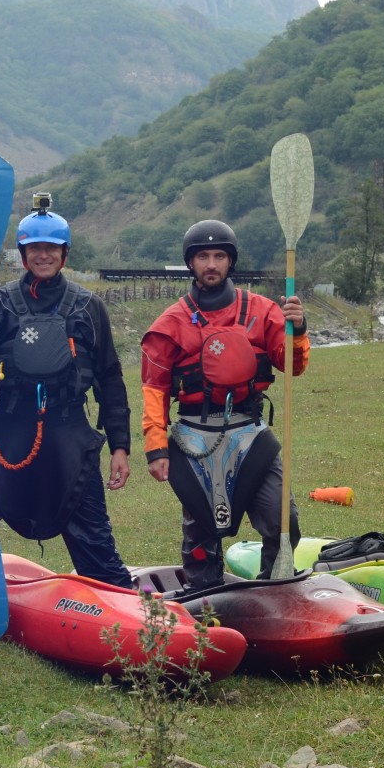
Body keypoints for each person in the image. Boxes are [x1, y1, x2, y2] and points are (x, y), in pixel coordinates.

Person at [0, 198, 132, 599]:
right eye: (35, 249)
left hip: (69, 430)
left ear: (64, 254)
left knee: (90, 529)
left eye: (51, 249)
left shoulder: (88, 306)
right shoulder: (1, 303)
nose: (43, 256)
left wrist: (121, 446)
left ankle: (121, 601)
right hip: (8, 430)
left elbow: (110, 379)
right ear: (23, 255)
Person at [139, 219, 308, 587]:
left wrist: (299, 330)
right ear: (191, 263)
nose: (211, 264)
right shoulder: (169, 324)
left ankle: (274, 588)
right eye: (203, 256)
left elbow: (292, 366)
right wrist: (156, 446)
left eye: (219, 256)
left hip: (251, 433)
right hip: (193, 440)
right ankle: (204, 600)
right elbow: (154, 390)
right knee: (201, 535)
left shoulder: (263, 312)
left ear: (230, 262)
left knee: (283, 521)